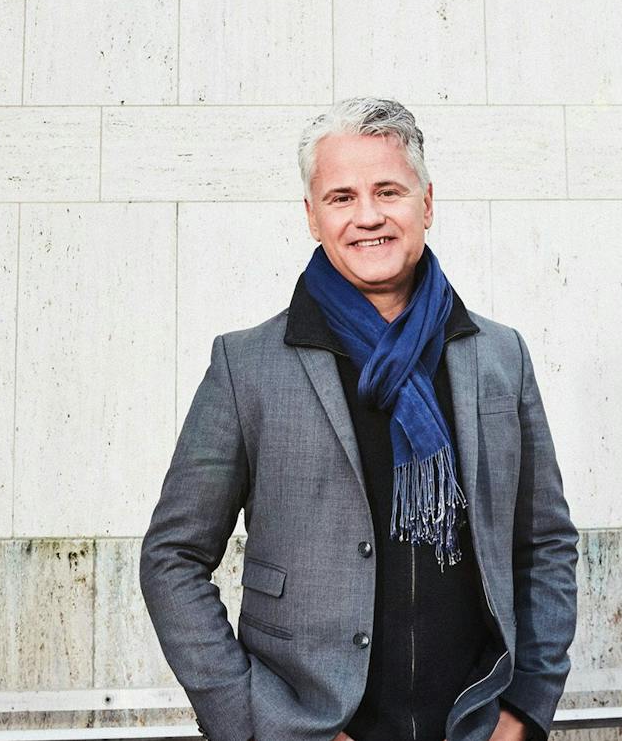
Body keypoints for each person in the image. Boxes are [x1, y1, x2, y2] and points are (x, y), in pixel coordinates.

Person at [139, 97, 579, 741]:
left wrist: (525, 710)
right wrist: (257, 720)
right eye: (341, 197)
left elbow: (545, 543)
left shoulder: (498, 356)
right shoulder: (248, 364)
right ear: (312, 217)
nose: (367, 215)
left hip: (473, 725)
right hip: (309, 726)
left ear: (426, 204)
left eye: (388, 191)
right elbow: (171, 558)